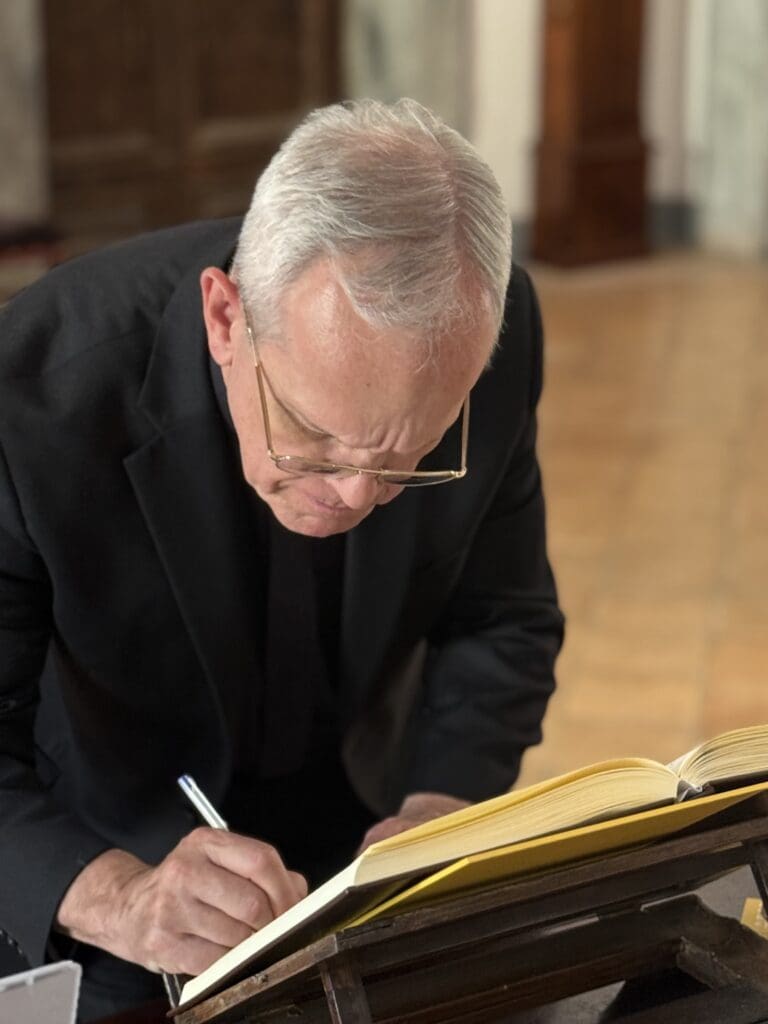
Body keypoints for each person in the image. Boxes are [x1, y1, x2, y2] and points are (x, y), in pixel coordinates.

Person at [0, 98, 563, 1020]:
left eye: (410, 455)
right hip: (113, 852)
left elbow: (502, 618)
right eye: (315, 436)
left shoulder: (486, 335)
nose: (355, 495)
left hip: (367, 829)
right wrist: (117, 898)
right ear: (226, 319)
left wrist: (442, 803)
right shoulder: (35, 387)